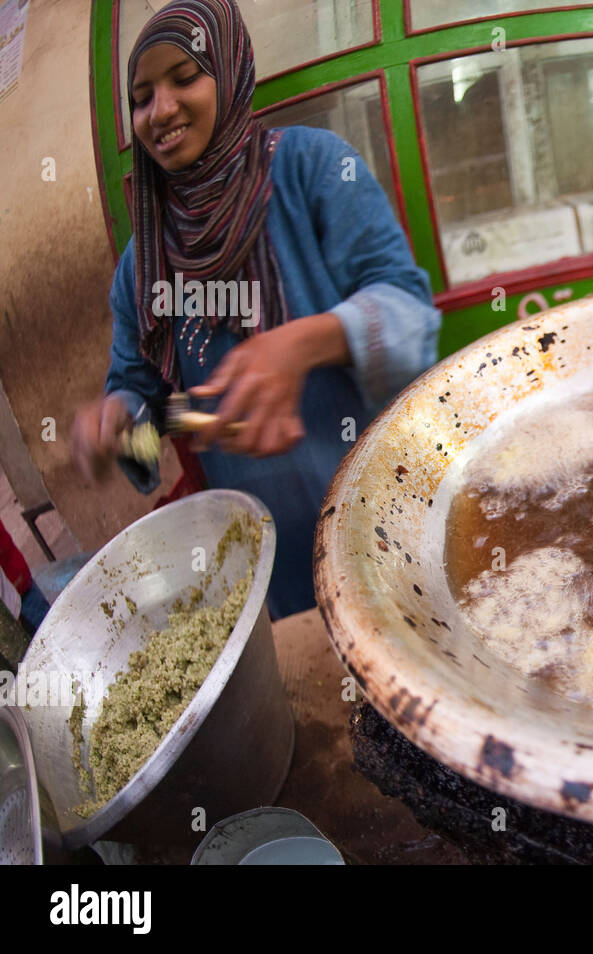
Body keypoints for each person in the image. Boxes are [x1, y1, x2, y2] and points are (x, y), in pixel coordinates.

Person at [70, 0, 441, 619]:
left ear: (231, 69)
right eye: (141, 97)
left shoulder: (315, 168)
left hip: (386, 513)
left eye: (185, 78)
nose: (160, 110)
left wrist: (302, 343)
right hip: (274, 562)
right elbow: (152, 405)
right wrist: (117, 423)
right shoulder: (141, 267)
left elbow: (411, 316)